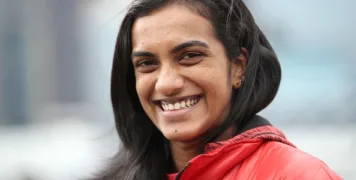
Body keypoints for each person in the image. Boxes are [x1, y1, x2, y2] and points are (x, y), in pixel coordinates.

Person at [91, 0, 342, 179]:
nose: (166, 83)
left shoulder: (300, 176)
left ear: (238, 67)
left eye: (189, 56)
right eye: (147, 64)